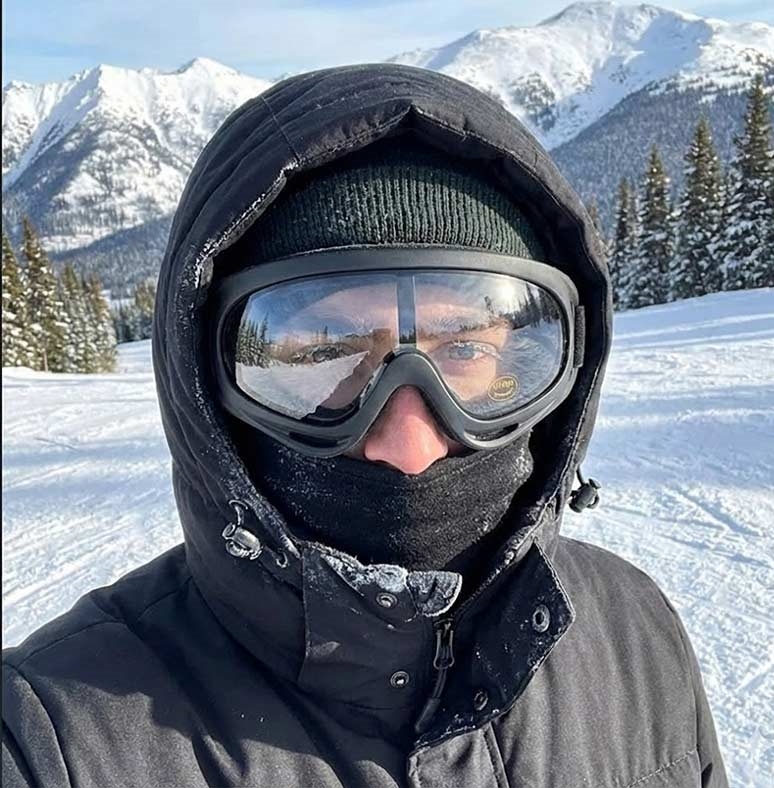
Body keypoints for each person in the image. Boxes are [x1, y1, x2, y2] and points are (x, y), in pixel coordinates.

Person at [2, 63, 729, 787]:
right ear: (204, 383)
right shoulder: (54, 742)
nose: (409, 446)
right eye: (325, 353)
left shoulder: (638, 635)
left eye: (465, 350)